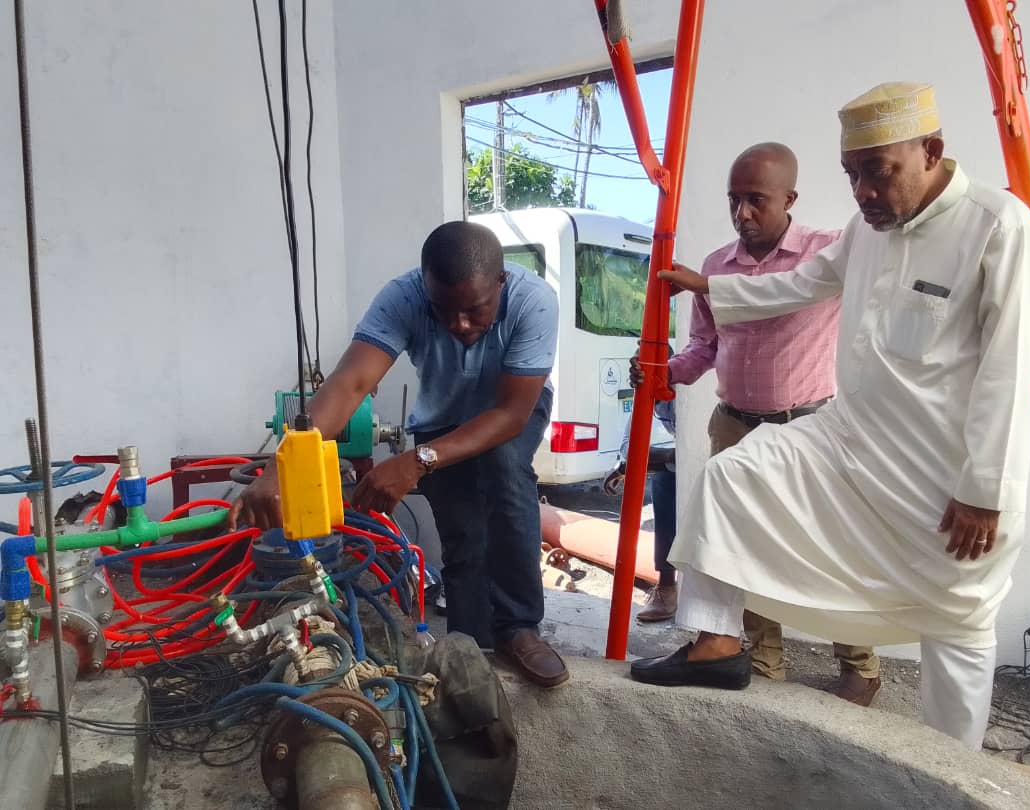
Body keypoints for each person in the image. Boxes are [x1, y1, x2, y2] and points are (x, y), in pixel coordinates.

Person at [630, 81, 1030, 749]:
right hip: (847, 440)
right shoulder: (866, 230)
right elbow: (796, 285)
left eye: (876, 172)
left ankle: (954, 773)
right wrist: (708, 285)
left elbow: (1008, 374)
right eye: (851, 175)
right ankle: (718, 644)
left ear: (931, 152)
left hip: (943, 480)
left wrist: (983, 493)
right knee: (726, 479)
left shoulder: (999, 229)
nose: (861, 192)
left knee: (957, 628)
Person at [231, 221, 569, 688]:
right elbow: (349, 384)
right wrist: (279, 467)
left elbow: (512, 414)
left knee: (505, 468)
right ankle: (469, 643)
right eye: (445, 312)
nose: (460, 326)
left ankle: (520, 628)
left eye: (475, 310)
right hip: (443, 416)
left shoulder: (534, 301)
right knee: (461, 526)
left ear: (501, 283)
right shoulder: (403, 297)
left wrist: (417, 460)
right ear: (425, 288)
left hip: (508, 408)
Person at [631, 142, 882, 705]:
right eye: (733, 200)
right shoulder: (717, 265)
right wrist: (664, 372)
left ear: (789, 198)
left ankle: (859, 663)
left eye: (756, 200)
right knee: (743, 544)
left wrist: (1027, 238)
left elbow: (910, 250)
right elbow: (704, 346)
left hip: (809, 426)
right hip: (734, 425)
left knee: (829, 543)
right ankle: (762, 656)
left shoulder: (828, 253)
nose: (742, 213)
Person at [605, 349, 678, 622]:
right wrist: (625, 466)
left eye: (640, 367)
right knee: (664, 481)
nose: (634, 372)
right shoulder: (648, 392)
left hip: (713, 463)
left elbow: (690, 453)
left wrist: (658, 458)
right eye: (633, 366)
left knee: (666, 478)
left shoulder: (689, 392)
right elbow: (629, 447)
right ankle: (667, 586)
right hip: (682, 463)